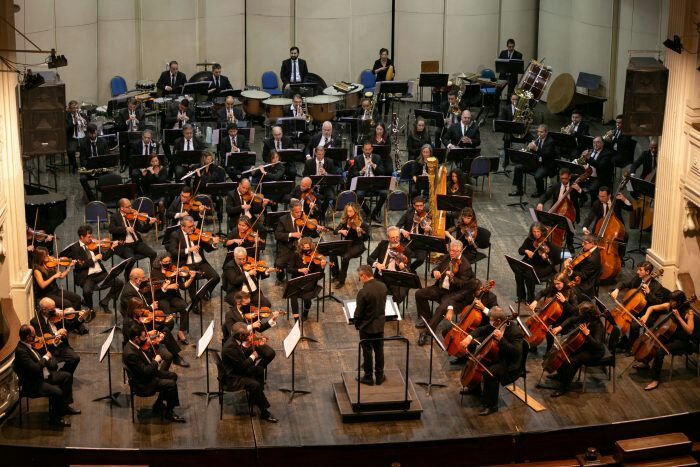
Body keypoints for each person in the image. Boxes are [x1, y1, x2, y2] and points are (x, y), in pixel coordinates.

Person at [458, 306, 523, 415]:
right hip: (496, 356)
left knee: (489, 373)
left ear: (498, 320)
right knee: (477, 356)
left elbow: (516, 353)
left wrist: (501, 339)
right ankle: (475, 389)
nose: (490, 322)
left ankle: (492, 406)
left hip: (508, 363)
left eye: (491, 320)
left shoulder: (515, 331)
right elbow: (480, 330)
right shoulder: (497, 325)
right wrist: (469, 338)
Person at [14, 324, 79, 427]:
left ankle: (64, 407)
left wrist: (54, 344)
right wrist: (45, 358)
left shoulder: (29, 345)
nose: (36, 338)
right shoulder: (21, 351)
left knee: (67, 376)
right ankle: (55, 419)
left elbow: (47, 354)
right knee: (57, 392)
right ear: (28, 337)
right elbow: (35, 368)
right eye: (34, 336)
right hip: (34, 384)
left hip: (42, 376)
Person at [415, 240, 475, 345]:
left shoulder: (465, 266)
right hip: (441, 288)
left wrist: (452, 278)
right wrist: (435, 272)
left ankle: (427, 332)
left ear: (460, 251)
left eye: (455, 251)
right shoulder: (448, 257)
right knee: (419, 293)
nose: (452, 253)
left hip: (453, 294)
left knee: (441, 308)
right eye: (450, 250)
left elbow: (463, 285)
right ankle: (426, 318)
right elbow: (438, 267)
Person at [635, 290, 696, 391]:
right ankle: (645, 362)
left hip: (682, 340)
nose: (670, 302)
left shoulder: (689, 313)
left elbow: (690, 331)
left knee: (660, 351)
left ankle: (655, 379)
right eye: (670, 300)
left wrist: (678, 317)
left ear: (679, 301)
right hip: (670, 335)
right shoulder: (669, 306)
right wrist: (645, 316)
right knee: (654, 344)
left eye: (673, 301)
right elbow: (651, 308)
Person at [123, 325, 185, 423]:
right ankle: (169, 413)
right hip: (143, 383)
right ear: (136, 338)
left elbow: (144, 361)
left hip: (146, 375)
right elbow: (145, 371)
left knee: (173, 376)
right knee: (172, 384)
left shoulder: (133, 344)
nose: (146, 338)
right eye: (143, 337)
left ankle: (158, 405)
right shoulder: (131, 354)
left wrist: (152, 347)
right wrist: (156, 361)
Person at [222, 322, 279, 423]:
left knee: (260, 370)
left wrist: (253, 346)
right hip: (233, 378)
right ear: (240, 336)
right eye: (247, 335)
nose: (249, 336)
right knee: (255, 385)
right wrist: (253, 356)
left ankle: (257, 397)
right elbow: (243, 365)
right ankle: (264, 413)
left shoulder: (235, 340)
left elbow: (242, 356)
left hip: (238, 370)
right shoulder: (230, 348)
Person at [548, 301, 606, 397]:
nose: (580, 316)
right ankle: (560, 376)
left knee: (571, 361)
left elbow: (598, 345)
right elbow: (571, 319)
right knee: (565, 353)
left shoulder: (597, 325)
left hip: (594, 352)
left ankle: (564, 386)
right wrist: (560, 327)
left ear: (588, 315)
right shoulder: (586, 317)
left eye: (581, 314)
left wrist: (587, 334)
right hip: (586, 345)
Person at [611, 261, 669, 349]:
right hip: (635, 308)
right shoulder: (638, 279)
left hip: (648, 313)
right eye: (638, 269)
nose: (637, 272)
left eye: (640, 270)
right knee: (617, 320)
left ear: (647, 272)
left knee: (634, 325)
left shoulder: (656, 286)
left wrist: (649, 293)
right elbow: (624, 283)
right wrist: (617, 289)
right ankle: (624, 342)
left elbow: (658, 303)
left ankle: (631, 347)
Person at [66, 225, 124, 313]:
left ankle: (105, 301)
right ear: (82, 237)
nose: (91, 238)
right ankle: (90, 310)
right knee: (86, 291)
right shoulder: (75, 248)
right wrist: (94, 259)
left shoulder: (94, 245)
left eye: (91, 236)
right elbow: (80, 265)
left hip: (100, 273)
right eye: (89, 237)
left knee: (119, 283)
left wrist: (112, 248)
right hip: (87, 276)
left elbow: (104, 257)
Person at [166, 216, 221, 298]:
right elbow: (173, 252)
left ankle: (205, 292)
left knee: (216, 277)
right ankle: (195, 300)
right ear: (182, 227)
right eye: (189, 227)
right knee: (192, 286)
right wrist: (188, 250)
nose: (192, 228)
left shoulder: (197, 232)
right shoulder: (175, 235)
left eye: (193, 226)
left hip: (200, 263)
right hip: (186, 264)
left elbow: (207, 248)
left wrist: (214, 244)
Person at [151, 254, 196, 344]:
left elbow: (183, 286)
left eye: (169, 261)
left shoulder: (174, 270)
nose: (168, 263)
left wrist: (191, 278)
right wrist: (168, 287)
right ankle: (165, 335)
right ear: (160, 262)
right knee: (168, 315)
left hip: (172, 296)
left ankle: (181, 332)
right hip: (161, 298)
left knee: (185, 307)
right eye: (165, 262)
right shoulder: (155, 273)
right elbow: (155, 290)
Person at [528, 272, 578, 353]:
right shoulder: (554, 288)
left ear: (564, 282)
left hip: (564, 319)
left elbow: (575, 312)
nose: (556, 286)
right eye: (555, 283)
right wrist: (535, 301)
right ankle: (533, 344)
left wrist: (564, 302)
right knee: (533, 323)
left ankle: (548, 351)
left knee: (549, 334)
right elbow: (541, 292)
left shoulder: (572, 294)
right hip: (551, 315)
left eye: (558, 284)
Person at [536, 167, 582, 254]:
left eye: (565, 178)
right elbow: (546, 195)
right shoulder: (556, 186)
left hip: (571, 212)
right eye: (562, 178)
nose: (563, 180)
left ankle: (569, 243)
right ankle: (551, 243)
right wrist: (540, 203)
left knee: (570, 228)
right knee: (550, 225)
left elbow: (585, 198)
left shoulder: (574, 186)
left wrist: (579, 189)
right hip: (557, 210)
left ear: (569, 177)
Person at [274, 200, 321, 283]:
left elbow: (312, 233)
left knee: (315, 259)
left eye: (300, 211)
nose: (299, 214)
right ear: (291, 211)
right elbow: (277, 235)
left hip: (302, 247)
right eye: (296, 212)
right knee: (279, 263)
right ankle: (280, 278)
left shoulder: (303, 219)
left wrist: (317, 229)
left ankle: (310, 279)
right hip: (288, 247)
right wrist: (291, 234)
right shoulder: (283, 220)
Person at [31, 297, 82, 373]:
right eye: (52, 309)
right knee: (53, 365)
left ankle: (65, 375)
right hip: (49, 348)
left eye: (54, 307)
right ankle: (57, 377)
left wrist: (80, 319)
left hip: (61, 345)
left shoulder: (57, 315)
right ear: (44, 310)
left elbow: (70, 327)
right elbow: (40, 341)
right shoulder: (35, 322)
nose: (55, 310)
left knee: (75, 358)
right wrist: (57, 333)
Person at [109, 198, 158, 279]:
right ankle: (127, 275)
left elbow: (142, 229)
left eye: (131, 206)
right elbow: (111, 229)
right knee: (132, 259)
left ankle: (153, 276)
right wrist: (125, 229)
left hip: (136, 243)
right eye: (128, 207)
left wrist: (149, 223)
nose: (131, 208)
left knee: (153, 254)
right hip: (124, 245)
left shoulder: (133, 215)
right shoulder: (115, 217)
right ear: (122, 208)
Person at [123, 297, 176, 371]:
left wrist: (154, 334)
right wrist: (153, 338)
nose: (142, 310)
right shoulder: (128, 322)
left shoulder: (139, 316)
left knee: (169, 356)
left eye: (142, 307)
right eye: (139, 308)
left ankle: (161, 373)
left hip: (147, 341)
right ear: (133, 309)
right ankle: (157, 374)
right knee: (167, 356)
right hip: (140, 347)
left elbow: (144, 333)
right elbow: (134, 340)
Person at [516, 222, 561, 303]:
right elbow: (520, 250)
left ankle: (531, 298)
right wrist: (526, 251)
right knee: (518, 271)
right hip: (531, 262)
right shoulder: (529, 240)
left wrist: (544, 257)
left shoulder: (547, 244)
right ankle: (521, 296)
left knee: (529, 274)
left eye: (538, 231)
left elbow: (550, 262)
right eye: (534, 231)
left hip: (543, 266)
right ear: (531, 232)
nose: (536, 234)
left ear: (542, 232)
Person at [581, 186, 632, 256]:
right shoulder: (596, 203)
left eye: (603, 196)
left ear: (609, 195)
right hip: (601, 225)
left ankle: (621, 256)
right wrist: (585, 228)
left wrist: (624, 199)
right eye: (599, 196)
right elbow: (589, 217)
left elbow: (630, 208)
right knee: (592, 238)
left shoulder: (617, 201)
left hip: (616, 225)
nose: (601, 198)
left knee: (625, 235)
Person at [509, 124, 556, 198]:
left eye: (541, 132)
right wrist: (530, 148)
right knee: (518, 167)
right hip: (535, 162)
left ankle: (540, 191)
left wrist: (536, 149)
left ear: (546, 132)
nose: (539, 134)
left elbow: (546, 155)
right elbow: (534, 153)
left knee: (537, 176)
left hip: (545, 164)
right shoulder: (538, 139)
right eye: (538, 132)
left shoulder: (551, 142)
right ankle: (519, 190)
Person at [31, 246, 83, 311]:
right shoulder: (37, 270)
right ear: (40, 257)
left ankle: (76, 316)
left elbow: (61, 276)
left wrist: (69, 267)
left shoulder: (51, 264)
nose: (48, 257)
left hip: (56, 290)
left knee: (77, 298)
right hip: (47, 294)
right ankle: (69, 317)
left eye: (47, 254)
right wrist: (53, 276)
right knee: (67, 304)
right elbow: (42, 285)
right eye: (45, 256)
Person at [368, 226, 410, 305]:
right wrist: (377, 264)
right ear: (388, 238)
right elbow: (370, 258)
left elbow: (408, 269)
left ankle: (392, 310)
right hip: (381, 276)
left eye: (397, 237)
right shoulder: (383, 244)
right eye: (393, 237)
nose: (395, 240)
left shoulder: (405, 249)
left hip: (395, 279)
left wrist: (403, 267)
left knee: (398, 296)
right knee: (371, 290)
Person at [331, 203, 369, 288]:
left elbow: (365, 238)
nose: (349, 213)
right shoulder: (345, 221)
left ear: (355, 212)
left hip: (358, 245)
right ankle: (336, 275)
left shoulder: (362, 223)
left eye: (351, 211)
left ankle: (341, 280)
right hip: (347, 244)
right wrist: (341, 231)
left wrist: (359, 232)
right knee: (332, 252)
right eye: (348, 211)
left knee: (346, 257)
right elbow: (335, 231)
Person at [350, 140, 388, 223]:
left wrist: (374, 165)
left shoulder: (377, 157)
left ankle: (374, 213)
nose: (367, 151)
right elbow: (353, 174)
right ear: (362, 149)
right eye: (366, 149)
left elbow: (383, 171)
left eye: (369, 149)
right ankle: (368, 213)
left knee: (384, 194)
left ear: (372, 149)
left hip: (375, 183)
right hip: (363, 184)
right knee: (359, 195)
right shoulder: (357, 159)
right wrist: (361, 172)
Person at [291, 237, 326, 321]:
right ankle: (296, 319)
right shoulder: (296, 255)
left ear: (311, 247)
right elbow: (289, 269)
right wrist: (299, 270)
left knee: (307, 297)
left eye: (308, 248)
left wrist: (322, 268)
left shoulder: (315, 256)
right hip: (297, 280)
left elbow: (319, 276)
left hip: (309, 282)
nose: (306, 250)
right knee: (292, 296)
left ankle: (306, 311)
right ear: (300, 247)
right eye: (304, 248)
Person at [397, 195, 432, 272]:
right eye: (417, 206)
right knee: (407, 252)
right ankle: (407, 271)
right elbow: (397, 226)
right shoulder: (408, 214)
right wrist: (403, 231)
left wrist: (427, 231)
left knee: (421, 259)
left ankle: (411, 269)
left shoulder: (427, 216)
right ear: (413, 206)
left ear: (424, 205)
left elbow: (429, 233)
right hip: (407, 241)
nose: (419, 208)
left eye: (421, 206)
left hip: (420, 243)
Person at [78, 123, 110, 201]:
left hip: (101, 168)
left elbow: (107, 157)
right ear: (88, 133)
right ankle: (91, 198)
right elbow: (82, 160)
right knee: (82, 178)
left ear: (96, 131)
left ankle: (106, 196)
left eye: (94, 132)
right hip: (89, 169)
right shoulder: (83, 143)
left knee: (111, 176)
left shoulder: (103, 142)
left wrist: (102, 166)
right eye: (91, 133)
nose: (93, 135)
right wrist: (90, 166)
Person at [563, 235, 601, 301]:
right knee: (558, 280)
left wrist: (570, 272)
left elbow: (584, 275)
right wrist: (569, 259)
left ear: (592, 243)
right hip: (578, 274)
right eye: (583, 242)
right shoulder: (590, 248)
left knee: (563, 287)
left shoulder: (593, 259)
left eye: (585, 243)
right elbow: (579, 255)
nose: (582, 244)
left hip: (584, 284)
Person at [302, 146, 337, 217]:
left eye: (322, 154)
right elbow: (305, 175)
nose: (320, 156)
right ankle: (315, 213)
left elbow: (334, 176)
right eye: (319, 154)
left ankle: (322, 213)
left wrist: (326, 173)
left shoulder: (330, 162)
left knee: (331, 197)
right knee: (310, 197)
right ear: (315, 153)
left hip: (326, 186)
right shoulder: (309, 162)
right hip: (312, 186)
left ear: (324, 153)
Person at [372, 47, 394, 118]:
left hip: (388, 83)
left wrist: (392, 75)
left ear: (387, 55)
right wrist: (381, 69)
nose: (384, 56)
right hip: (379, 82)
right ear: (380, 55)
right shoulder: (377, 62)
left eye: (385, 55)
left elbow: (393, 72)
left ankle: (386, 115)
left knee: (388, 99)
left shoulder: (390, 62)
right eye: (383, 54)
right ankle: (380, 114)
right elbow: (373, 72)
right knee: (379, 100)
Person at [65, 100, 86, 173]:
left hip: (82, 136)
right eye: (73, 108)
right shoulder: (66, 117)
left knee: (86, 148)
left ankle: (84, 164)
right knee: (71, 151)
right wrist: (74, 123)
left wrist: (83, 122)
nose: (75, 110)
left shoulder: (82, 115)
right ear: (70, 109)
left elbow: (87, 124)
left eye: (76, 108)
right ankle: (74, 165)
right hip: (72, 138)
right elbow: (66, 128)